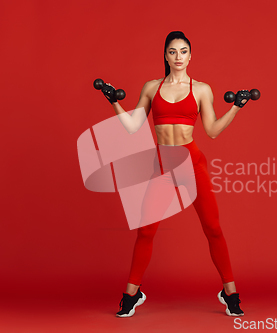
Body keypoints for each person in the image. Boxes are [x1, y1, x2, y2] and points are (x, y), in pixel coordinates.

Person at [101, 31, 251, 317]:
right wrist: (114, 101)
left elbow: (212, 131)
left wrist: (236, 108)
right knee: (145, 231)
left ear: (190, 55)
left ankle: (230, 293)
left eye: (183, 51)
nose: (178, 57)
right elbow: (133, 126)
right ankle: (131, 295)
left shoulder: (202, 89)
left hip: (191, 162)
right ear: (166, 55)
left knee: (213, 228)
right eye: (173, 52)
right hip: (161, 164)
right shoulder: (152, 86)